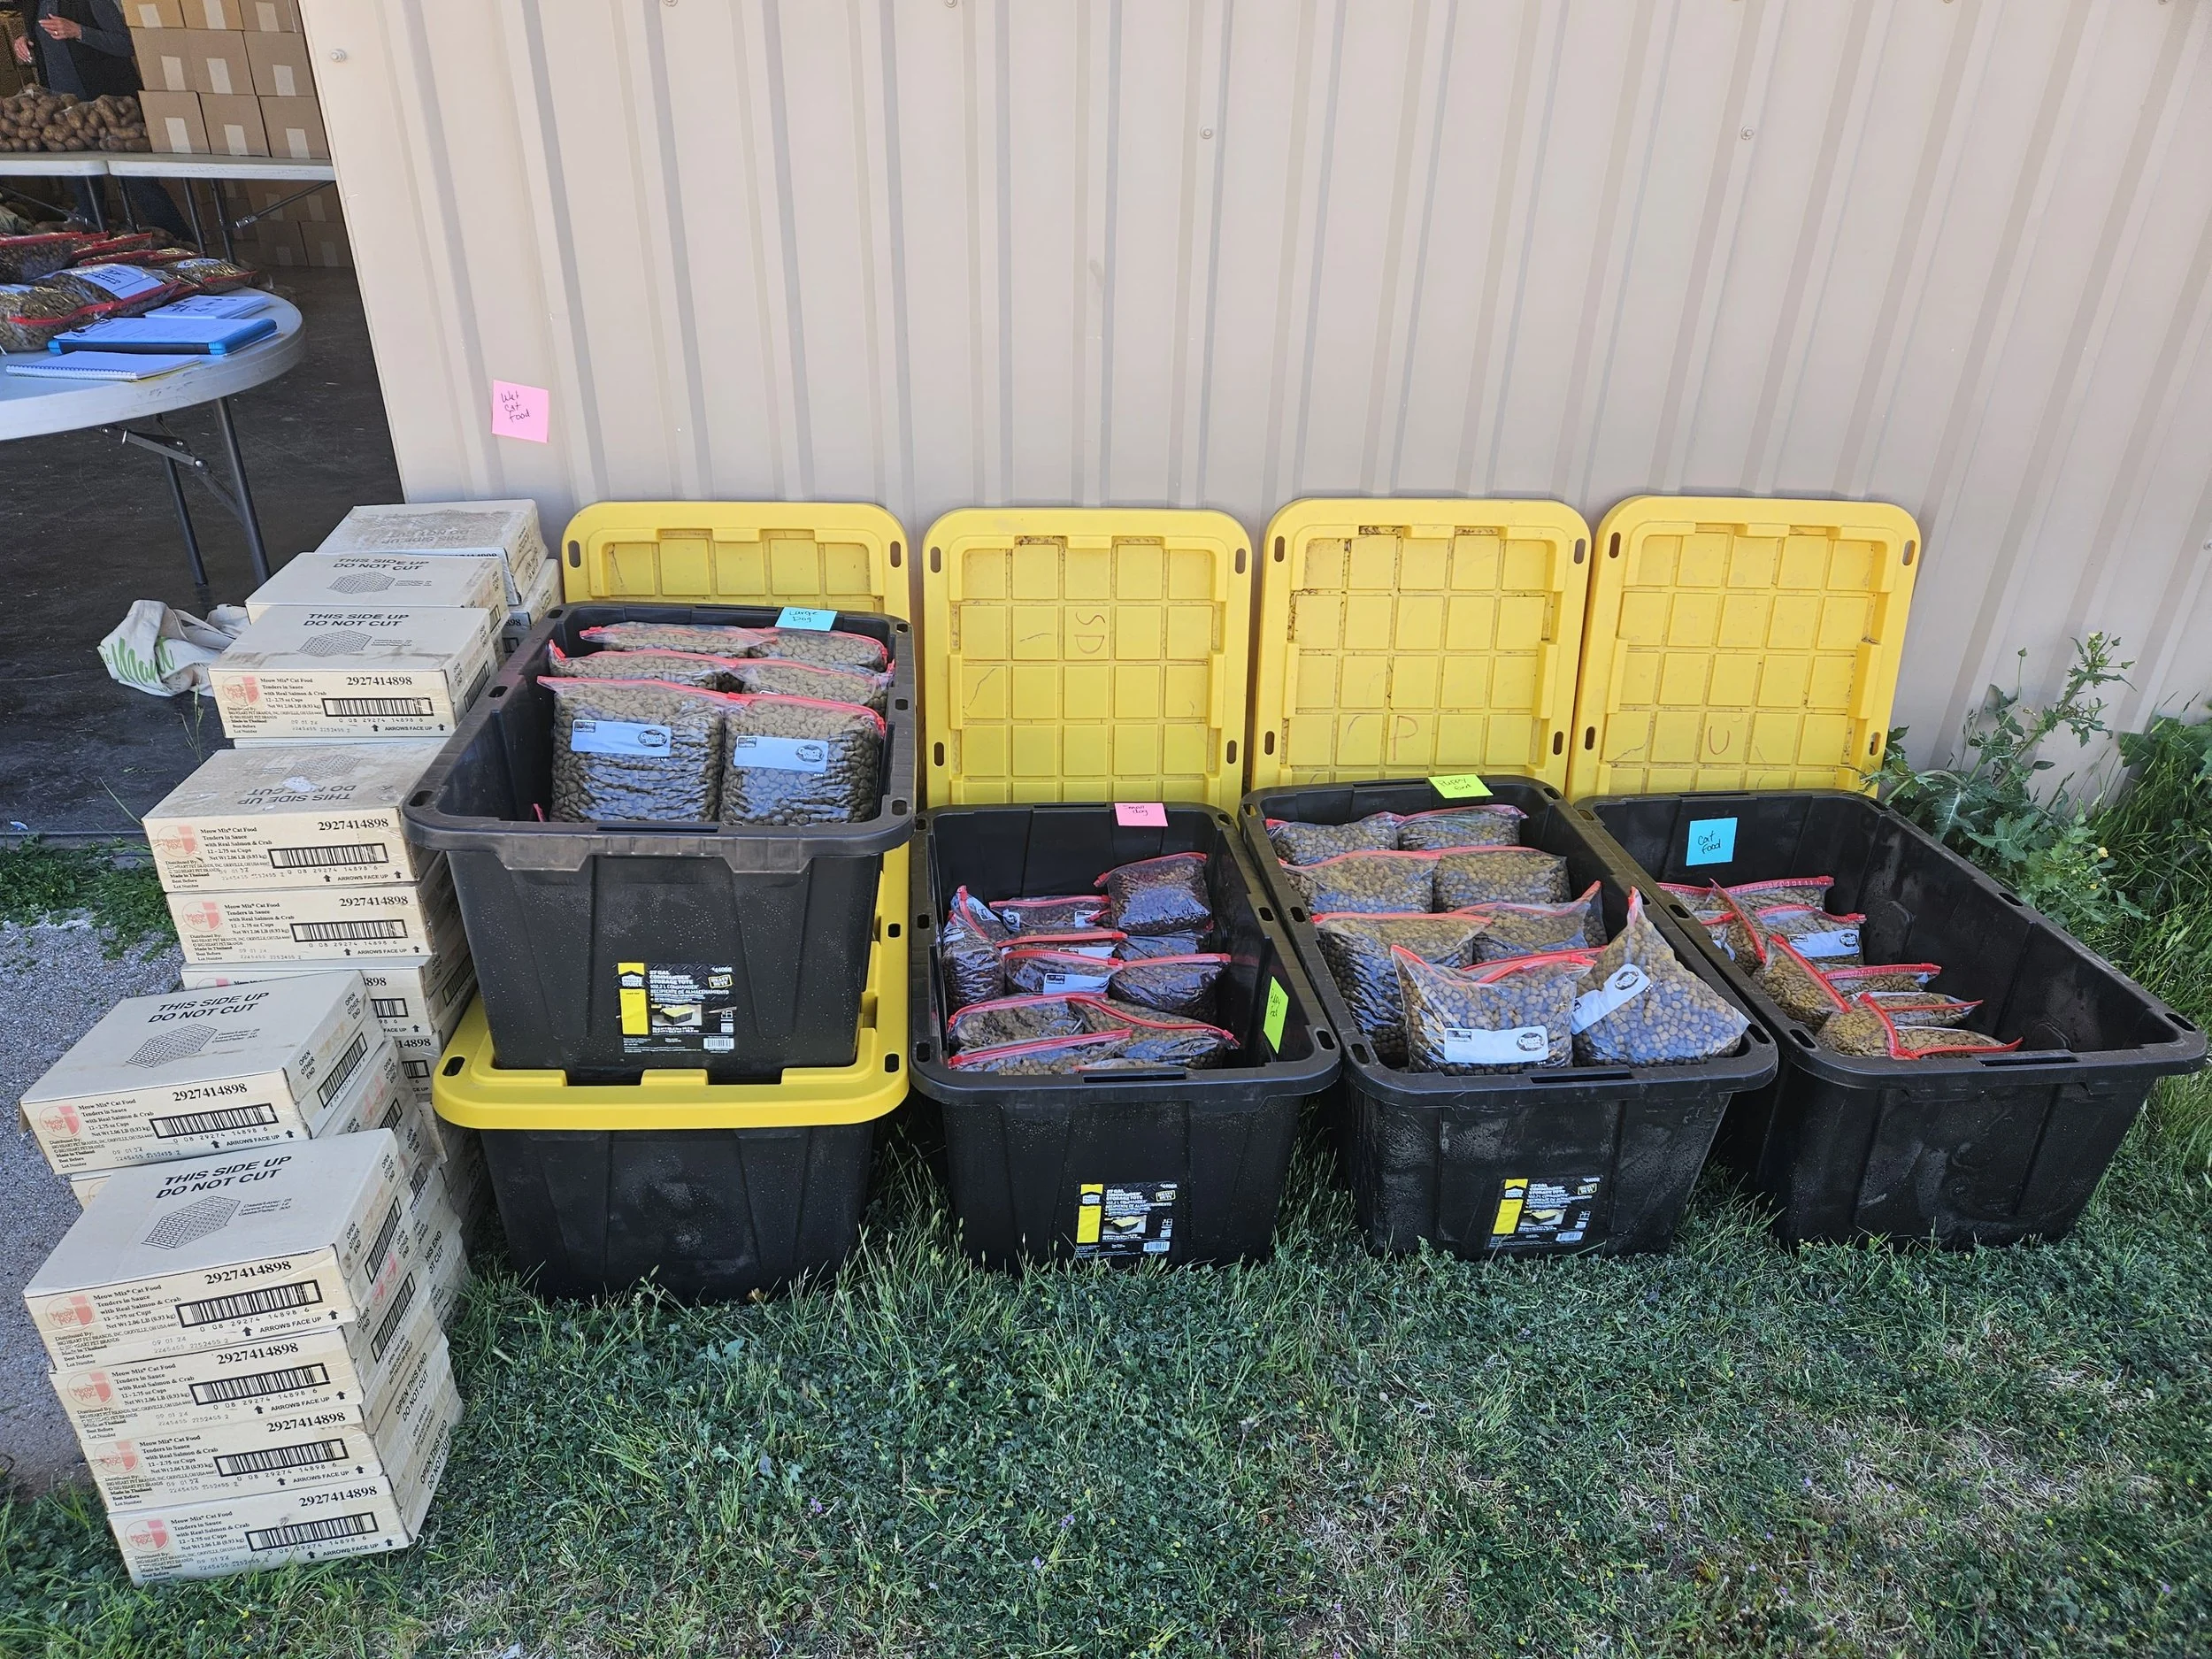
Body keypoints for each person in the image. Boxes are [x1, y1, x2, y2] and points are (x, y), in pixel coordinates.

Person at [12, 0, 196, 241]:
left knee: (140, 183)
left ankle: (186, 245)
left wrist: (79, 31)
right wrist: (25, 41)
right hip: (66, 115)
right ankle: (98, 253)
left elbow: (126, 43)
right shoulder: (33, 4)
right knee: (84, 186)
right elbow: (50, 44)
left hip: (111, 108)